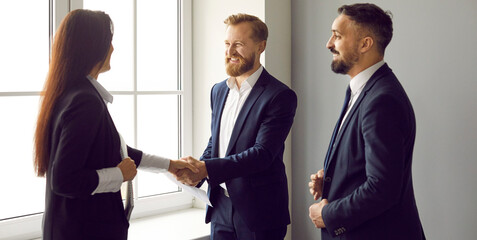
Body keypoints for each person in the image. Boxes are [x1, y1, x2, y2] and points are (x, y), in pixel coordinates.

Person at [34, 9, 197, 240]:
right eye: (108, 41)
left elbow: (118, 152)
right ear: (93, 47)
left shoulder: (68, 92)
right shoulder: (85, 100)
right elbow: (64, 180)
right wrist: (118, 175)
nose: (113, 48)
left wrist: (170, 165)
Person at [172, 13, 297, 240]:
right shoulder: (218, 90)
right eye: (227, 44)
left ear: (261, 47)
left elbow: (262, 154)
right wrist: (196, 172)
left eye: (238, 45)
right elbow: (217, 142)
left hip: (260, 213)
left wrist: (206, 168)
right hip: (219, 206)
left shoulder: (280, 96)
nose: (230, 52)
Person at [308, 3, 425, 240]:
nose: (329, 44)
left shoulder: (381, 100)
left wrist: (329, 214)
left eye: (337, 36)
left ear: (365, 44)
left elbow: (383, 189)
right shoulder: (364, 90)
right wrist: (333, 182)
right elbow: (366, 168)